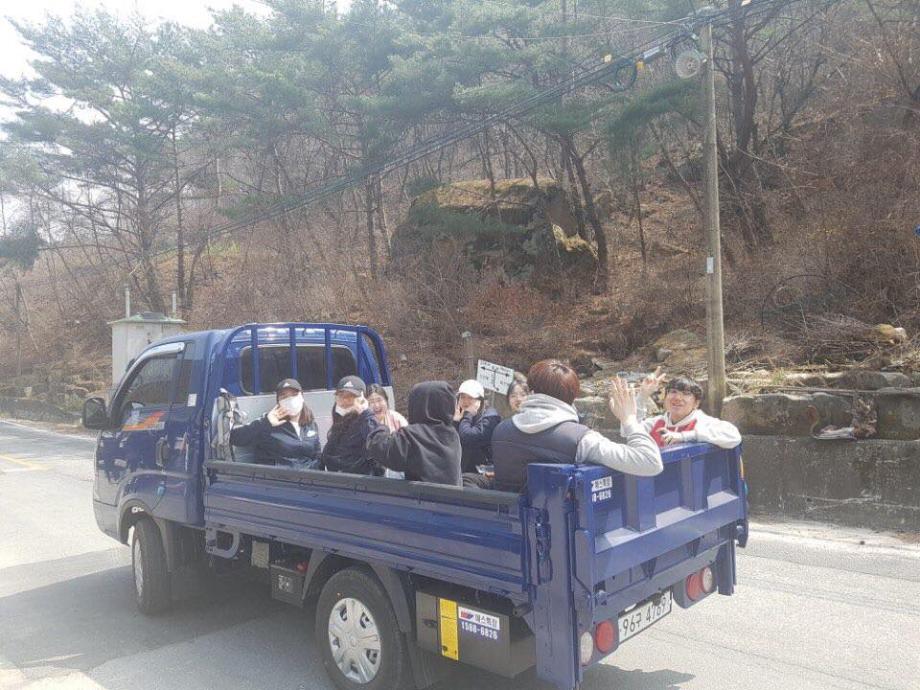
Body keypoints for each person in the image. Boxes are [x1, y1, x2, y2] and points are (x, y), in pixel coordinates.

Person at [487, 359, 663, 493]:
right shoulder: (580, 438)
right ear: (572, 398)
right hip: (561, 528)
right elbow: (650, 462)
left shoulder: (501, 430)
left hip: (508, 522)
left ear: (532, 392)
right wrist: (630, 419)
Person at [365, 381, 462, 486]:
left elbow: (379, 447)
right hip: (450, 495)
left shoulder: (413, 435)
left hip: (422, 495)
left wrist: (372, 418)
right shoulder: (452, 434)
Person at [633, 372, 741, 449]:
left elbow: (734, 436)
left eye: (686, 394)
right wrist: (643, 395)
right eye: (673, 392)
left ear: (696, 403)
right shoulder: (656, 423)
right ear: (665, 398)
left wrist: (684, 436)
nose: (677, 398)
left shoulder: (702, 422)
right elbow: (630, 432)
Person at [229, 378, 320, 468]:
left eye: (294, 395)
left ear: (302, 397)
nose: (290, 400)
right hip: (277, 476)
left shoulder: (310, 424)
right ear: (279, 402)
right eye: (284, 397)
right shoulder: (268, 423)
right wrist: (266, 422)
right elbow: (235, 438)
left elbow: (317, 456)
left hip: (307, 476)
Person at [320, 375, 380, 475]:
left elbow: (376, 447)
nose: (345, 401)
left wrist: (365, 413)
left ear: (362, 399)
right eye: (341, 396)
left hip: (360, 481)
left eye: (350, 397)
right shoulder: (339, 424)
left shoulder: (367, 422)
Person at [454, 379, 502, 473]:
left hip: (481, 473)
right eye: (462, 397)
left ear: (480, 401)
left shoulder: (490, 417)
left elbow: (468, 437)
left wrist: (467, 415)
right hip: (462, 471)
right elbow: (451, 442)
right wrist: (455, 422)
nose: (465, 401)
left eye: (470, 398)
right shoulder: (460, 415)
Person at [367, 384, 409, 478]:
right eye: (371, 402)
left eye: (379, 400)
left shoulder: (397, 418)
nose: (376, 405)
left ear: (386, 401)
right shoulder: (364, 422)